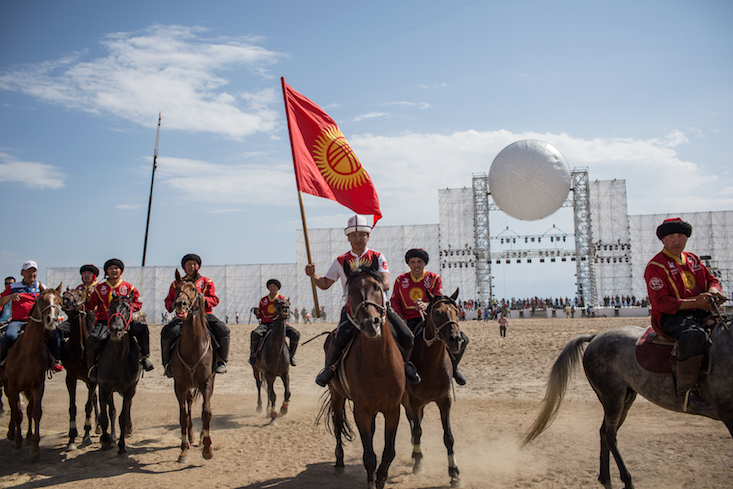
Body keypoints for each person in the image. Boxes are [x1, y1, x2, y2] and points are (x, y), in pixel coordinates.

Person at [305, 215, 420, 387]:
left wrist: (369, 285)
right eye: (354, 235)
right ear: (348, 238)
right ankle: (330, 369)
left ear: (368, 236)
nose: (358, 239)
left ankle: (406, 364)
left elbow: (386, 283)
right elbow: (325, 284)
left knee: (407, 336)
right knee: (337, 339)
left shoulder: (378, 257)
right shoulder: (341, 261)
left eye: (362, 235)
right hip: (353, 312)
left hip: (380, 309)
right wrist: (313, 275)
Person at [644, 218, 727, 415]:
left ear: (686, 239)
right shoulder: (655, 266)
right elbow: (660, 302)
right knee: (695, 336)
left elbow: (711, 280)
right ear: (663, 241)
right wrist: (695, 303)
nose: (677, 241)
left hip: (700, 309)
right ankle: (687, 392)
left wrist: (715, 291)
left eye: (680, 236)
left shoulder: (693, 260)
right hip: (671, 315)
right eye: (671, 237)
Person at [390, 248, 468, 384]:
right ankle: (404, 366)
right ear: (408, 264)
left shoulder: (434, 278)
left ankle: (454, 367)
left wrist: (426, 305)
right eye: (412, 262)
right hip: (407, 319)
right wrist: (400, 316)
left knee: (463, 339)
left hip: (430, 318)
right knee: (396, 340)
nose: (416, 265)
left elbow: (439, 298)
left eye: (419, 262)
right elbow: (394, 301)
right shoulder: (400, 280)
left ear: (424, 263)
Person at [160, 254, 230, 376]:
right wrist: (173, 306)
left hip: (205, 315)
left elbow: (214, 299)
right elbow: (169, 300)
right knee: (167, 332)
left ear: (198, 266)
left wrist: (201, 300)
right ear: (184, 267)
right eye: (189, 264)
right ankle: (167, 364)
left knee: (223, 330)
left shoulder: (207, 282)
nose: (192, 266)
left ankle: (221, 361)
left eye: (194, 264)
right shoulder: (176, 283)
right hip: (182, 316)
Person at [85, 259, 154, 382]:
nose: (114, 270)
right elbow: (90, 306)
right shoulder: (99, 288)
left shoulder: (128, 287)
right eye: (111, 268)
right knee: (93, 339)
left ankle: (145, 357)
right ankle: (92, 367)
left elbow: (138, 303)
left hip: (125, 321)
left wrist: (128, 309)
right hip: (104, 321)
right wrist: (89, 297)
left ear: (121, 271)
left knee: (142, 329)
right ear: (106, 271)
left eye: (116, 268)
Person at [0, 261, 63, 372]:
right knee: (9, 336)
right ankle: (1, 363)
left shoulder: (43, 287)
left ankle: (55, 361)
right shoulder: (13, 287)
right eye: (28, 271)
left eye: (34, 271)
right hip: (18, 321)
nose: (31, 274)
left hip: (39, 322)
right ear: (22, 273)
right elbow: (1, 302)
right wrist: (10, 297)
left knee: (54, 335)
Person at [249, 279, 300, 367]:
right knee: (255, 334)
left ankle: (291, 355)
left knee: (295, 334)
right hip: (266, 323)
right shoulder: (263, 300)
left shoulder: (283, 299)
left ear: (278, 288)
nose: (272, 288)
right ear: (268, 288)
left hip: (280, 324)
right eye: (271, 286)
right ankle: (253, 355)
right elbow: (261, 313)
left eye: (274, 286)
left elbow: (286, 312)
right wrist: (257, 312)